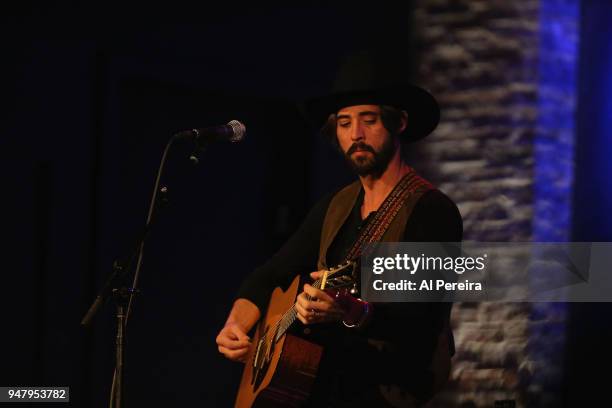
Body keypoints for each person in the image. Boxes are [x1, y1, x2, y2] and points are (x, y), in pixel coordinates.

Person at [216, 53, 463, 407]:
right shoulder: (336, 206)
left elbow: (421, 323)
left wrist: (352, 311)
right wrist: (236, 326)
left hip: (385, 389)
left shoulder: (430, 210)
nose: (356, 134)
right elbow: (271, 273)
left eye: (369, 120)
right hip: (325, 386)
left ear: (399, 123)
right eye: (345, 123)